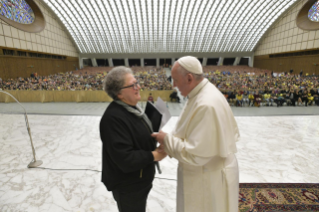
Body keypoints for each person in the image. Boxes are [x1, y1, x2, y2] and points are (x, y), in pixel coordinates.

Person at [152, 56, 240, 212]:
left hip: (208, 178)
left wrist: (166, 140)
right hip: (207, 173)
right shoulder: (200, 92)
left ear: (189, 78)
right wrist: (169, 142)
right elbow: (188, 128)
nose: (173, 85)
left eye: (175, 80)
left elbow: (195, 154)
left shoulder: (206, 104)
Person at [100, 66, 167, 212]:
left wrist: (156, 137)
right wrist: (155, 155)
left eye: (137, 83)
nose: (138, 87)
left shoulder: (133, 108)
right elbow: (125, 158)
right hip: (128, 185)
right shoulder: (112, 119)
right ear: (119, 93)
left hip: (140, 179)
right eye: (133, 85)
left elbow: (137, 136)